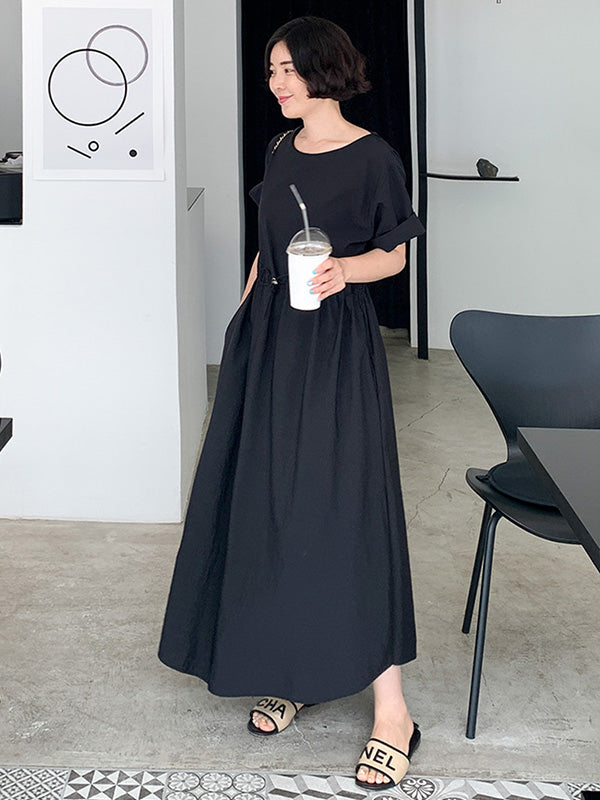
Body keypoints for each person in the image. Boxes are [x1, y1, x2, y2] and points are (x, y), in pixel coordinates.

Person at [158, 16, 425, 789]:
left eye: (288, 69)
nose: (276, 82)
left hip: (335, 348)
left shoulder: (373, 157)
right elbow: (266, 246)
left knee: (345, 509)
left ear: (324, 71)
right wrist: (244, 322)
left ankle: (393, 712)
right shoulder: (279, 149)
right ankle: (295, 670)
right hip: (271, 341)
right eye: (271, 70)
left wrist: (345, 270)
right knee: (270, 505)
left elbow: (395, 253)